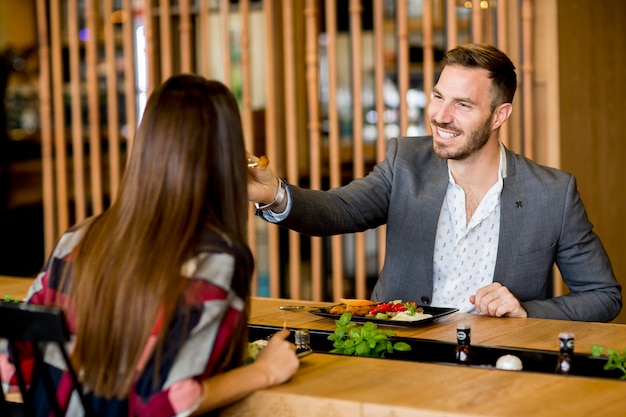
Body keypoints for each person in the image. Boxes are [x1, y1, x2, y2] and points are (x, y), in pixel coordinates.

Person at [247, 43, 622, 322]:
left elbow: (603, 295)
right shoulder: (405, 163)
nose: (440, 116)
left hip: (497, 368)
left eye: (463, 105)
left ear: (499, 115)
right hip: (400, 361)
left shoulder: (552, 194)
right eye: (438, 96)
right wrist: (275, 194)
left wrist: (525, 310)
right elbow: (337, 211)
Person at [0, 75, 299, 416]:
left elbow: (9, 364)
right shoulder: (214, 261)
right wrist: (266, 370)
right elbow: (166, 401)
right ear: (227, 157)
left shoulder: (77, 239)